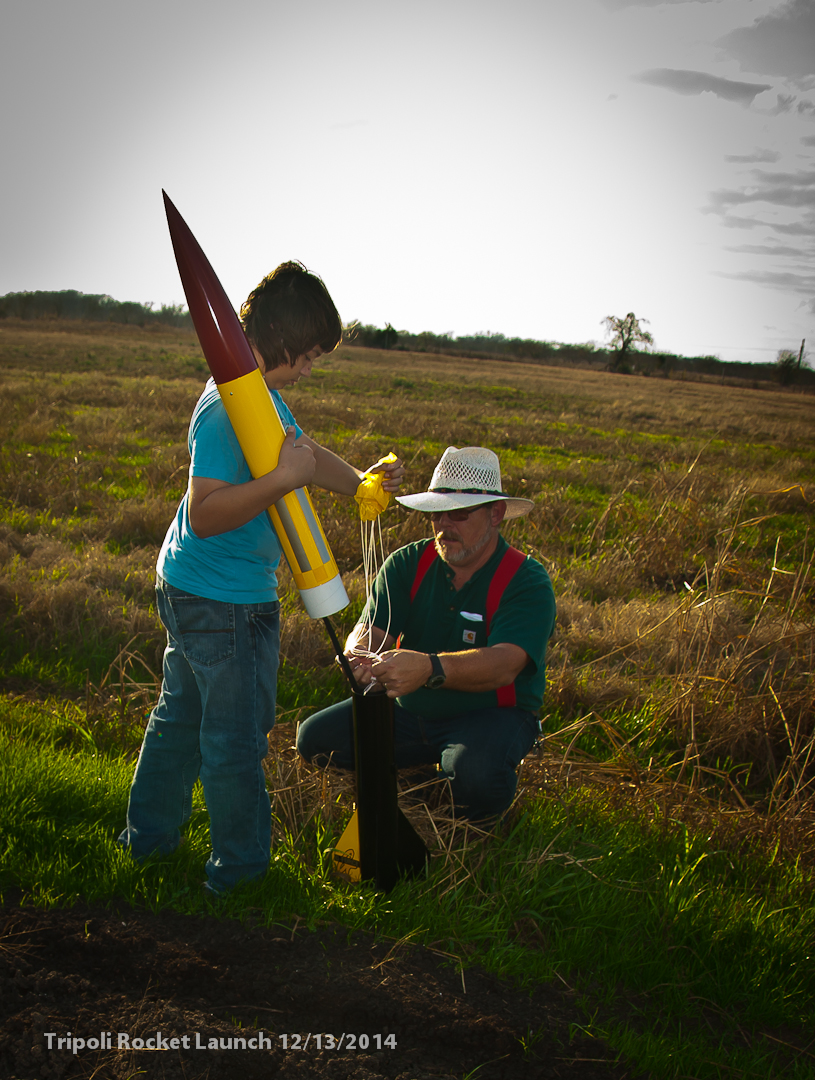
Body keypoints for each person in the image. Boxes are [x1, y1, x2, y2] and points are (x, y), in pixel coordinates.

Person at [118, 262, 404, 895]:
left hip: (193, 588)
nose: (309, 371)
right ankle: (241, 876)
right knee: (236, 738)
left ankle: (149, 841)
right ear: (279, 341)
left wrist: (358, 483)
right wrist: (280, 482)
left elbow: (302, 453)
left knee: (181, 722)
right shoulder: (228, 410)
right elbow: (208, 512)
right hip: (223, 603)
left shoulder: (256, 397)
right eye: (306, 358)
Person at [296, 445, 556, 823]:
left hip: (490, 713)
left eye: (459, 514)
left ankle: (462, 778)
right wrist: (359, 656)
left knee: (478, 778)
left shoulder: (526, 580)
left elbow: (505, 664)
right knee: (316, 741)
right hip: (409, 709)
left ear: (496, 513)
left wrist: (430, 668)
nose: (444, 526)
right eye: (437, 514)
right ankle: (432, 765)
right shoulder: (407, 563)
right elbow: (372, 631)